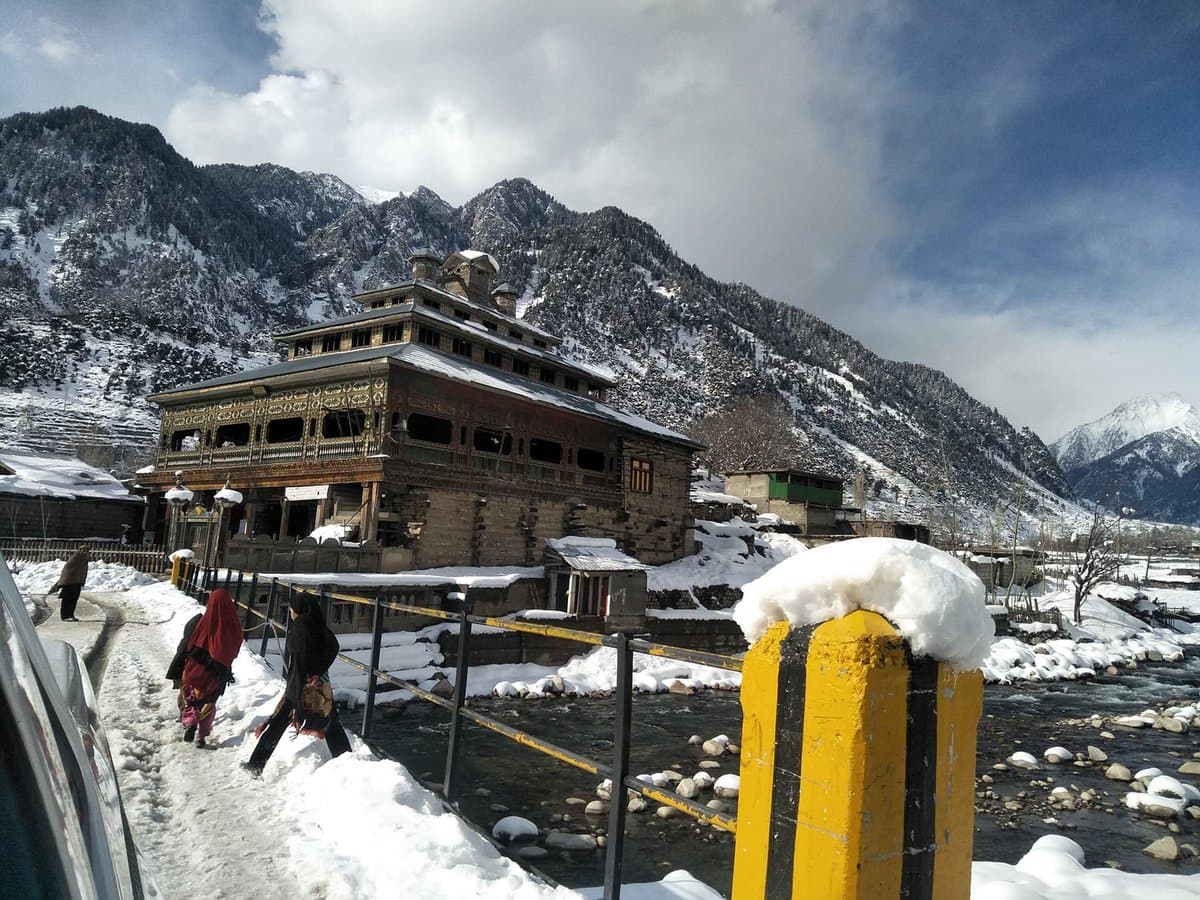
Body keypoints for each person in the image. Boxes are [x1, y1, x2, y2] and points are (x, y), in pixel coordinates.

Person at [243, 593, 350, 775]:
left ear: (298, 609)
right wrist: (319, 670)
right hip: (320, 685)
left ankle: (255, 765)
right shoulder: (319, 625)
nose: (291, 613)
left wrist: (300, 683)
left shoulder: (300, 628)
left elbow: (299, 659)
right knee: (331, 722)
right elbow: (334, 646)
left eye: (291, 609)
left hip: (300, 684)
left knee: (277, 724)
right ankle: (347, 759)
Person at [179, 589, 243, 748]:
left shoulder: (204, 621)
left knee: (193, 698)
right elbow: (235, 646)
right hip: (216, 672)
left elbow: (191, 643)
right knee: (209, 702)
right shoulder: (233, 625)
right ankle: (202, 736)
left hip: (195, 668)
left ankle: (191, 719)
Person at [49, 546, 90, 622]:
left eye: (87, 551)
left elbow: (82, 571)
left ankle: (71, 615)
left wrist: (81, 581)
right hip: (70, 582)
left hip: (77, 582)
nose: (85, 552)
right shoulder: (75, 558)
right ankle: (65, 616)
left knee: (74, 600)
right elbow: (67, 569)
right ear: (80, 550)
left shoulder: (84, 559)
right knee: (67, 600)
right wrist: (64, 581)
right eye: (83, 550)